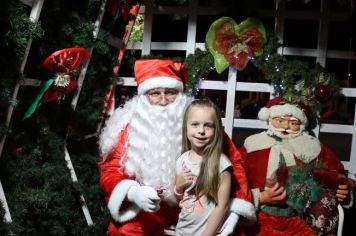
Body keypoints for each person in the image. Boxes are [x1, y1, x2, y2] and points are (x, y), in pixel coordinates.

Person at [98, 59, 256, 235]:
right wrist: (133, 192)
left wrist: (235, 209)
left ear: (180, 94)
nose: (164, 100)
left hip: (199, 204)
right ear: (144, 96)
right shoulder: (129, 127)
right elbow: (111, 169)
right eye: (155, 93)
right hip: (148, 206)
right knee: (126, 231)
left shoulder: (198, 122)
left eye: (170, 92)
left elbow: (235, 163)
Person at [239, 97, 353, 235]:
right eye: (280, 121)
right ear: (269, 119)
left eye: (293, 123)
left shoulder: (311, 146)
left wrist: (342, 191)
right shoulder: (253, 145)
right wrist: (258, 196)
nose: (286, 127)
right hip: (259, 217)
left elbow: (334, 172)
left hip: (299, 217)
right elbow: (235, 180)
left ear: (301, 124)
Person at [175, 98, 232, 235]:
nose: (201, 130)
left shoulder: (221, 164)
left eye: (208, 125)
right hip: (182, 231)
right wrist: (178, 187)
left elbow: (223, 206)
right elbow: (182, 201)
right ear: (186, 127)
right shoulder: (182, 160)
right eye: (195, 124)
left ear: (216, 129)